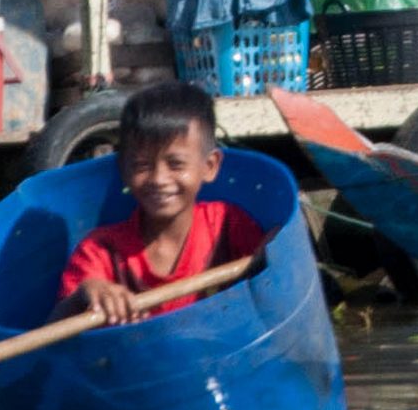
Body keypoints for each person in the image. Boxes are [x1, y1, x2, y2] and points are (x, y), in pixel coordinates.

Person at [55, 81, 271, 324]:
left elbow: (273, 284)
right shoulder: (102, 251)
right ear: (124, 169)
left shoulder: (226, 226)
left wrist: (277, 248)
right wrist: (86, 295)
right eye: (142, 166)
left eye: (176, 164)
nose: (158, 179)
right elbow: (54, 334)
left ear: (209, 166)